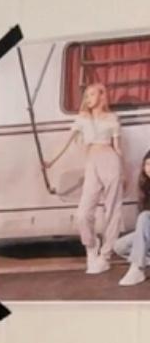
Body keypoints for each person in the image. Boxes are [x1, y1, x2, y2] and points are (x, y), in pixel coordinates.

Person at [45, 81, 124, 273]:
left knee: (113, 210)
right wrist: (51, 161)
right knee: (83, 213)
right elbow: (66, 142)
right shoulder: (82, 119)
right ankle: (91, 246)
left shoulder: (112, 118)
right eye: (86, 95)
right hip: (92, 162)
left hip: (111, 160)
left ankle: (105, 256)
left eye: (92, 94)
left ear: (102, 96)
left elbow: (118, 148)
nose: (88, 99)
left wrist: (124, 172)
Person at [111, 149, 150, 286]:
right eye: (147, 164)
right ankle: (141, 259)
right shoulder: (145, 187)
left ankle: (138, 269)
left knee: (144, 216)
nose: (149, 168)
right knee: (119, 246)